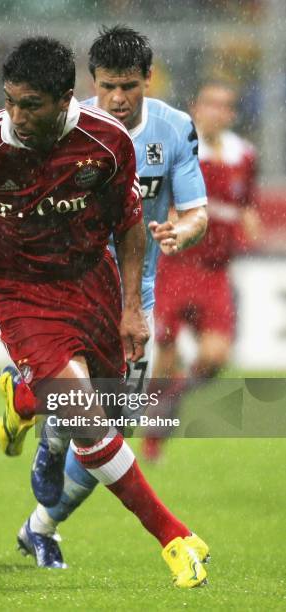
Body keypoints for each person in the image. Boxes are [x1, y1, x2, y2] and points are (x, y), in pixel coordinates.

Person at [0, 36, 208, 587]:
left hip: (92, 282)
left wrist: (130, 309)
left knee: (108, 406)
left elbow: (127, 223)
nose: (18, 116)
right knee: (86, 421)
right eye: (11, 101)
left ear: (65, 100)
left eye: (31, 105)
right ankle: (175, 537)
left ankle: (23, 394)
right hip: (21, 293)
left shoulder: (106, 142)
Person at [0, 26, 209, 571]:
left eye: (130, 86)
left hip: (134, 296)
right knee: (88, 414)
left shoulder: (175, 128)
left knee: (113, 427)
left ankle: (38, 520)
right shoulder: (63, 126)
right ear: (92, 83)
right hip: (72, 291)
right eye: (109, 85)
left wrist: (182, 233)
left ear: (147, 80)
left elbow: (196, 211)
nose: (118, 98)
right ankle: (46, 426)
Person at [142, 80, 259, 461]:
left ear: (232, 114)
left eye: (225, 105)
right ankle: (154, 432)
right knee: (166, 351)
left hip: (214, 272)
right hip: (175, 265)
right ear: (196, 108)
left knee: (215, 356)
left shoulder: (245, 156)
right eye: (210, 104)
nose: (217, 112)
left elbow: (245, 204)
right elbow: (157, 198)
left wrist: (250, 221)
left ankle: (169, 400)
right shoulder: (179, 148)